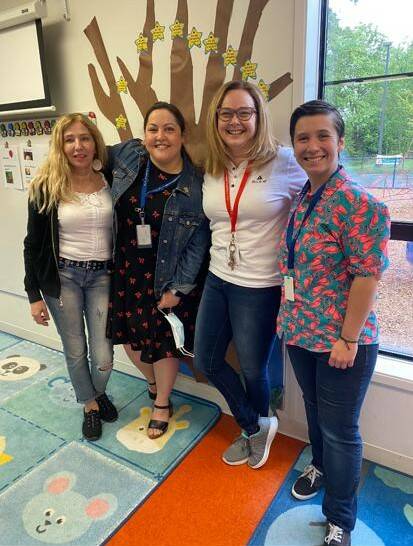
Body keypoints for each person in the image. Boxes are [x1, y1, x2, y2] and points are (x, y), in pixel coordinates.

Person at [277, 100, 390, 546]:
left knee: (341, 431)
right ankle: (319, 465)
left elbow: (368, 275)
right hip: (301, 331)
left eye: (323, 136)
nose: (312, 146)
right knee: (314, 410)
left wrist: (347, 338)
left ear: (340, 142)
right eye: (303, 138)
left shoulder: (358, 203)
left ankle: (340, 518)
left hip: (344, 342)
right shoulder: (306, 194)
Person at [194, 80, 307, 469]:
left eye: (244, 112)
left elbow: (332, 189)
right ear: (216, 119)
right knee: (205, 361)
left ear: (259, 117)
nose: (235, 121)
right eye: (226, 113)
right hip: (217, 278)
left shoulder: (286, 161)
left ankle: (254, 430)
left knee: (254, 368)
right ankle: (256, 425)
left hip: (259, 286)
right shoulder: (212, 166)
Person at [107, 102, 209, 439]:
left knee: (162, 343)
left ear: (182, 135)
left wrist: (177, 288)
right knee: (130, 339)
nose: (160, 136)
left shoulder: (194, 185)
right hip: (125, 269)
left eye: (169, 129)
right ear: (144, 133)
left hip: (165, 276)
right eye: (153, 128)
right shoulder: (130, 157)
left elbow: (198, 245)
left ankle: (162, 402)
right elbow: (90, 149)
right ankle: (151, 383)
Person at [24, 113, 117, 442]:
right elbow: (32, 245)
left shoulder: (110, 177)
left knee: (104, 354)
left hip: (102, 276)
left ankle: (97, 390)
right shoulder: (46, 186)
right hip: (63, 278)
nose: (78, 146)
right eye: (69, 139)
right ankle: (90, 403)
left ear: (95, 143)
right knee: (76, 349)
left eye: (85, 138)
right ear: (60, 146)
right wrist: (33, 295)